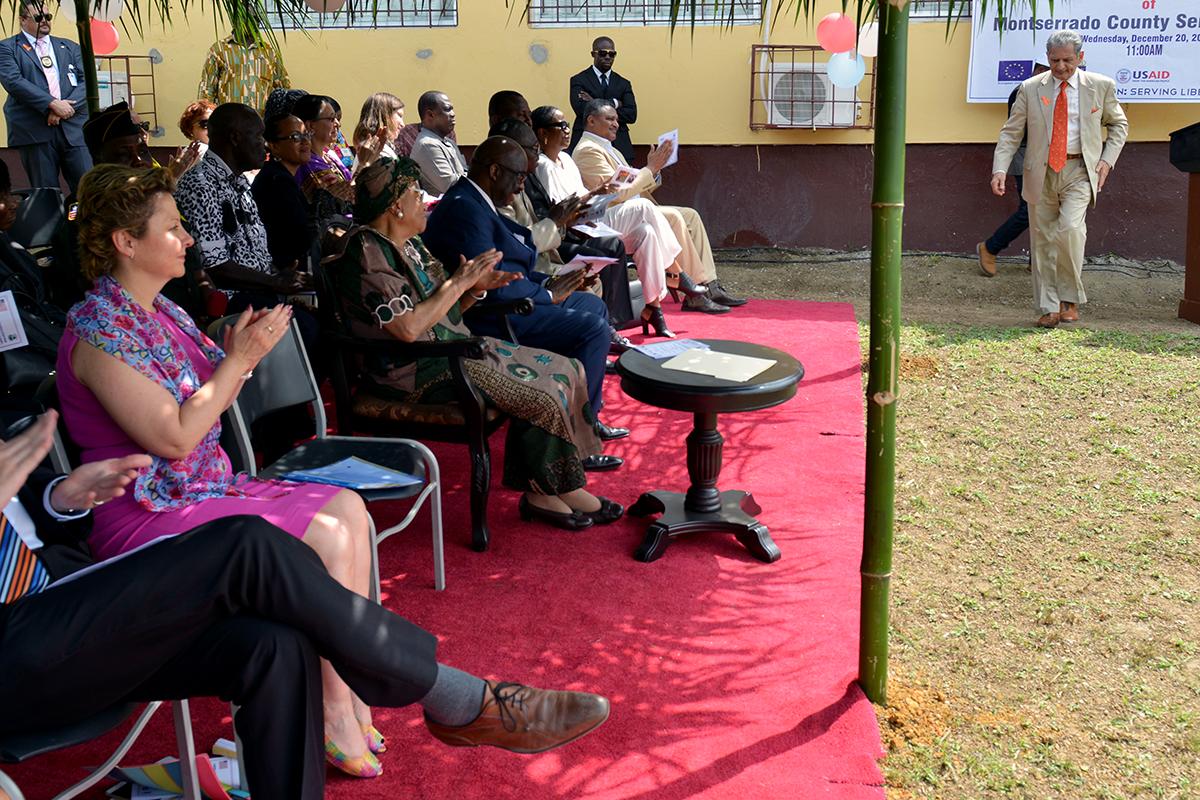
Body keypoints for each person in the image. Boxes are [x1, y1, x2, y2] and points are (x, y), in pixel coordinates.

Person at [0, 411, 612, 799]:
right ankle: (455, 697)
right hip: (15, 651)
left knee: (276, 641)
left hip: (60, 605)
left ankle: (450, 701)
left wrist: (61, 497)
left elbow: (24, 510)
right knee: (243, 544)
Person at [55, 163, 389, 777]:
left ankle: (346, 697)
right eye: (173, 227)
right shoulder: (99, 331)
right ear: (126, 242)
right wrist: (239, 360)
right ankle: (333, 712)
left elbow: (213, 391)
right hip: (145, 514)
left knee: (349, 508)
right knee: (325, 534)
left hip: (201, 489)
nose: (188, 238)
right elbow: (177, 436)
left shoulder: (160, 310)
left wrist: (242, 353)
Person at [327, 157, 626, 526]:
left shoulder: (409, 243)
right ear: (395, 205)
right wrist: (459, 283)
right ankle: (546, 492)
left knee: (565, 368)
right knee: (540, 390)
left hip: (448, 349)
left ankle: (553, 489)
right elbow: (407, 329)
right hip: (410, 371)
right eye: (416, 194)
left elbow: (444, 312)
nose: (424, 201)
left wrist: (475, 290)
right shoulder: (367, 254)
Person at [422, 137, 628, 457]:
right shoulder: (464, 207)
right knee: (593, 328)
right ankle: (576, 441)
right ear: (494, 171)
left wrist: (552, 281)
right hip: (493, 315)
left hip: (518, 296)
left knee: (592, 304)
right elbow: (493, 283)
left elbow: (515, 259)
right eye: (518, 177)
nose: (521, 187)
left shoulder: (477, 199)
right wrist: (548, 293)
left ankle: (585, 415)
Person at [534, 104, 714, 336]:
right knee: (644, 208)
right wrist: (645, 170)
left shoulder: (568, 160)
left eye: (567, 125)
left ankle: (653, 309)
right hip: (579, 226)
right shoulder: (559, 160)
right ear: (543, 133)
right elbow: (565, 208)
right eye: (560, 126)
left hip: (597, 216)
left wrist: (603, 190)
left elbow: (602, 191)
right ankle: (676, 274)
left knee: (647, 232)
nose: (567, 130)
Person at [990, 31, 1128, 328]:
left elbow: (1119, 125)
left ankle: (1069, 298)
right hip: (1040, 172)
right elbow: (1011, 132)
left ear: (1080, 57)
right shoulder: (1030, 88)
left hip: (1080, 170)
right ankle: (1049, 306)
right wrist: (999, 168)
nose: (1061, 67)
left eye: (1067, 60)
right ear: (1047, 58)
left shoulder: (1100, 86)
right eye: (1055, 61)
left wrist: (1106, 161)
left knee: (1070, 231)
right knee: (1042, 240)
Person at [573, 99, 744, 312]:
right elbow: (617, 193)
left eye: (616, 119)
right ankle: (695, 289)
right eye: (609, 119)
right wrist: (650, 168)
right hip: (613, 217)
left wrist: (654, 170)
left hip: (634, 208)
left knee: (690, 215)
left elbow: (633, 184)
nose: (616, 124)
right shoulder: (587, 150)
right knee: (673, 217)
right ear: (591, 121)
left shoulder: (610, 149)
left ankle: (710, 284)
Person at [0, 1, 91, 191]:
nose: (45, 21)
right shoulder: (8, 48)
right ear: (22, 20)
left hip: (73, 129)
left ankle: (79, 213)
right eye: (38, 17)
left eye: (48, 17)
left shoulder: (69, 46)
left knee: (88, 189)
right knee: (47, 194)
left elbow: (88, 81)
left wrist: (64, 108)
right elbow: (14, 82)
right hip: (35, 130)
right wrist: (52, 104)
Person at [977, 61, 1048, 277]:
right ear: (1040, 70)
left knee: (1045, 210)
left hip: (1045, 157)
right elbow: (1017, 131)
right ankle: (991, 247)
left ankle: (1037, 261)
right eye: (1050, 69)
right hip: (1025, 156)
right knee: (1029, 210)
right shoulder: (1024, 91)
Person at [251, 113, 317, 273]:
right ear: (274, 146)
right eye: (295, 137)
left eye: (306, 134)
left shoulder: (281, 176)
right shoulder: (276, 182)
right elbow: (299, 237)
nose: (305, 141)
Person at [568, 36, 636, 163]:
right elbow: (581, 109)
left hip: (619, 144)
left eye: (612, 54)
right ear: (593, 54)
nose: (608, 57)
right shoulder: (579, 80)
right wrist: (615, 103)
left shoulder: (623, 83)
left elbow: (631, 115)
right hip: (588, 143)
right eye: (603, 53)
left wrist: (593, 101)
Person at [197, 27, 290, 115]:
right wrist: (206, 119)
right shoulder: (219, 50)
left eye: (256, 18)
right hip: (228, 120)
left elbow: (283, 88)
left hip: (261, 121)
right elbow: (207, 89)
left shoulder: (269, 52)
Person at [410, 91, 468, 196]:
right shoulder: (427, 145)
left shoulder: (448, 142)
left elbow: (464, 172)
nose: (453, 114)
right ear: (430, 115)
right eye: (447, 109)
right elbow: (452, 186)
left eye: (452, 109)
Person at [352, 91, 404, 171]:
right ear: (385, 116)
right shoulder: (376, 151)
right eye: (399, 115)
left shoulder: (381, 148)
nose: (403, 124)